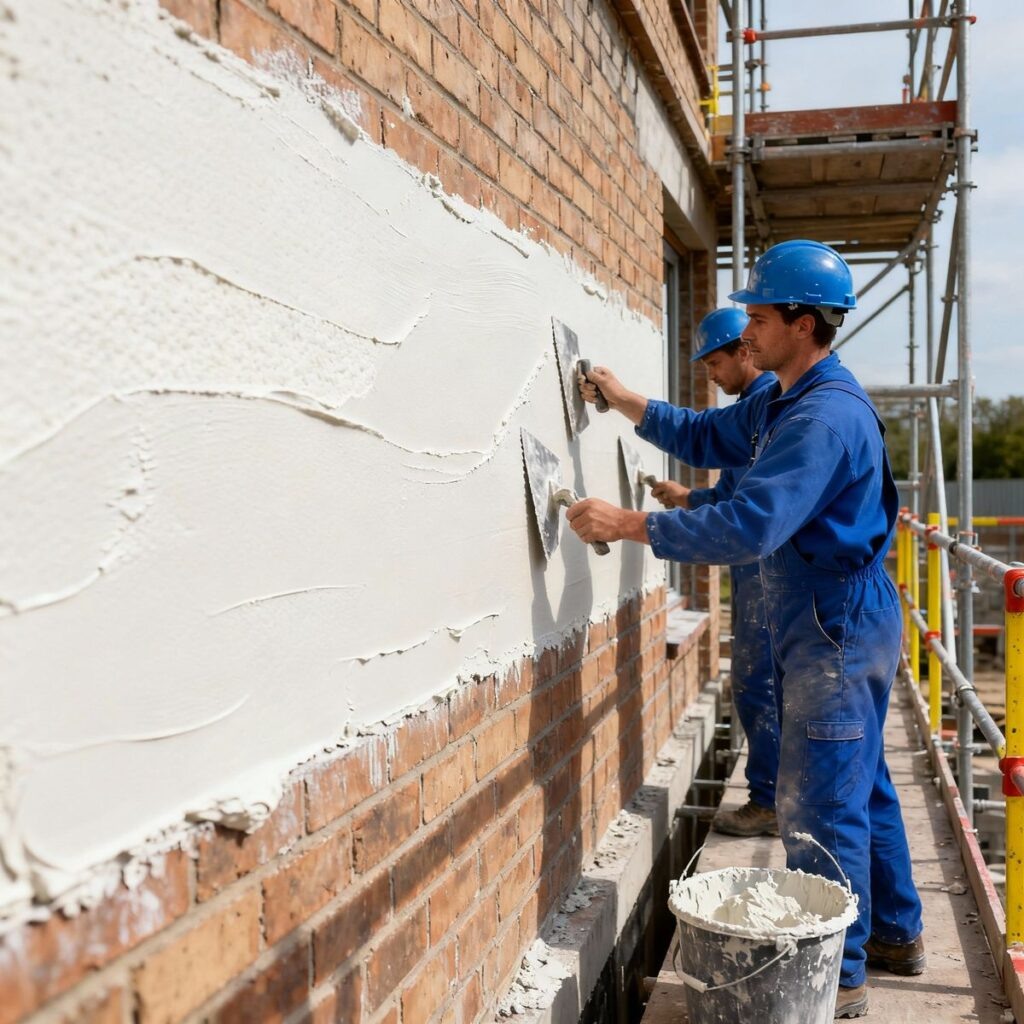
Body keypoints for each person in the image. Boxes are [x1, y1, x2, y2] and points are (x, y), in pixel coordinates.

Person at [569, 240, 924, 1019]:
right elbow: (707, 437)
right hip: (834, 615)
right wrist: (626, 400)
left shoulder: (823, 417)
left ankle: (842, 977)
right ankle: (897, 930)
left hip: (835, 621)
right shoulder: (782, 398)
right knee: (860, 782)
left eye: (759, 317)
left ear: (803, 323)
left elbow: (752, 526)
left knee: (818, 804)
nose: (746, 331)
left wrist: (632, 523)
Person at [652, 307, 780, 838]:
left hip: (768, 571)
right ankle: (778, 794)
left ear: (744, 352)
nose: (710, 376)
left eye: (714, 363)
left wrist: (643, 525)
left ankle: (771, 801)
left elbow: (749, 512)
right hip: (761, 570)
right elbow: (734, 496)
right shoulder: (756, 406)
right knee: (761, 683)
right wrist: (689, 498)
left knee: (759, 684)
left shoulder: (766, 408)